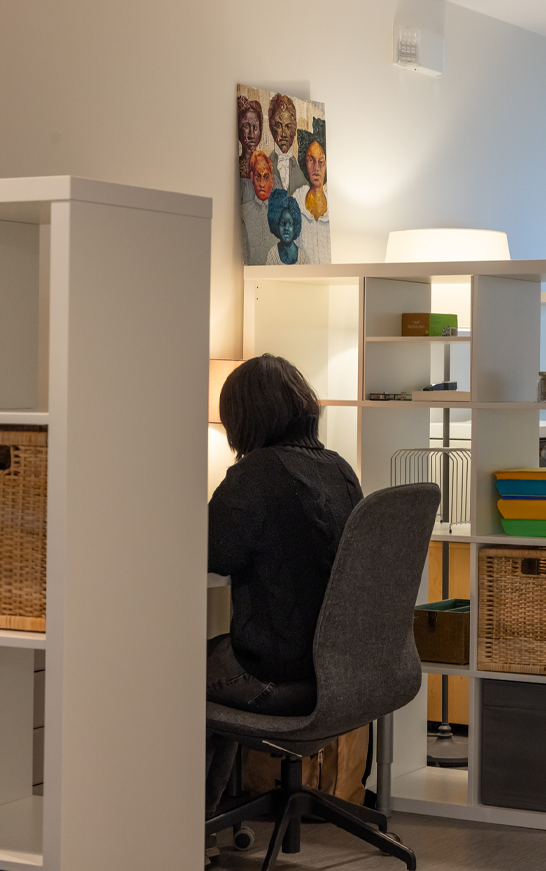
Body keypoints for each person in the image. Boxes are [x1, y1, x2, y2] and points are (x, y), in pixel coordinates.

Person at [205, 355, 363, 815]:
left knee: (162, 672)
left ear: (242, 417)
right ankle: (200, 824)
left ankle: (176, 832)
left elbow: (212, 555)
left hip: (277, 676)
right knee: (210, 662)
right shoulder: (339, 469)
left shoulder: (255, 476)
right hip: (341, 672)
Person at [292, 121, 330, 264]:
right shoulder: (297, 201)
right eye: (311, 160)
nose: (316, 168)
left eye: (321, 162)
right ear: (304, 162)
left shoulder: (333, 207)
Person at [240, 150, 277, 265]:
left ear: (272, 179)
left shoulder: (281, 214)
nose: (261, 184)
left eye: (266, 177)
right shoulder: (244, 212)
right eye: (258, 177)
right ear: (251, 177)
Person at [268, 93, 307, 194]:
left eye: (288, 126)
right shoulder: (265, 166)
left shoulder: (303, 173)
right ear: (271, 127)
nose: (283, 133)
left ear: (294, 129)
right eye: (278, 125)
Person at [265, 188, 309, 265]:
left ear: (296, 226)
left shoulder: (302, 258)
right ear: (276, 224)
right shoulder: (272, 255)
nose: (286, 228)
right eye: (282, 223)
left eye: (290, 224)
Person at [236, 96, 263, 179]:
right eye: (246, 126)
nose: (251, 135)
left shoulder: (267, 166)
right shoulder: (235, 166)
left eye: (255, 128)